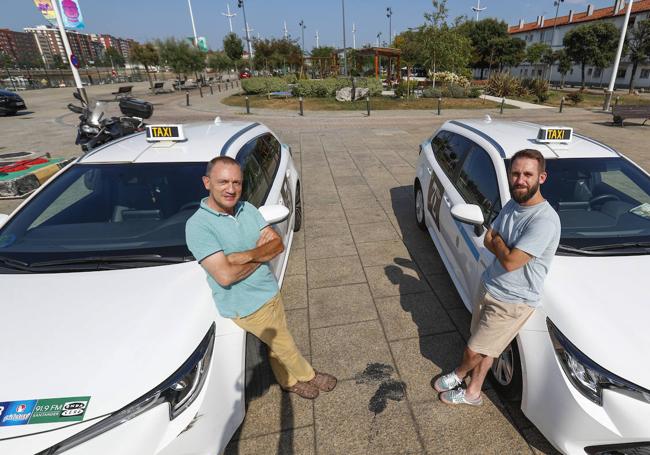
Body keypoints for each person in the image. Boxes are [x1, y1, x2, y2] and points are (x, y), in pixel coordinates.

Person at [185, 156, 336, 399]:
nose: (231, 189)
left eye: (237, 182)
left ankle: (288, 382)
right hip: (246, 304)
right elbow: (225, 277)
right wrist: (259, 255)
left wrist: (241, 256)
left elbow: (277, 245)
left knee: (277, 342)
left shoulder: (247, 209)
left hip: (269, 289)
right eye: (223, 182)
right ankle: (309, 376)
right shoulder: (198, 226)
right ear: (207, 182)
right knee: (284, 344)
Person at [434, 149, 561, 406]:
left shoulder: (544, 221)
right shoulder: (513, 205)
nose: (520, 180)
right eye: (515, 173)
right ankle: (473, 393)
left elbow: (512, 261)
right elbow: (489, 237)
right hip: (490, 284)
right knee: (487, 348)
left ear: (542, 178)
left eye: (528, 174)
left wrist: (502, 247)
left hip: (512, 301)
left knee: (474, 349)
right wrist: (504, 248)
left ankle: (459, 375)